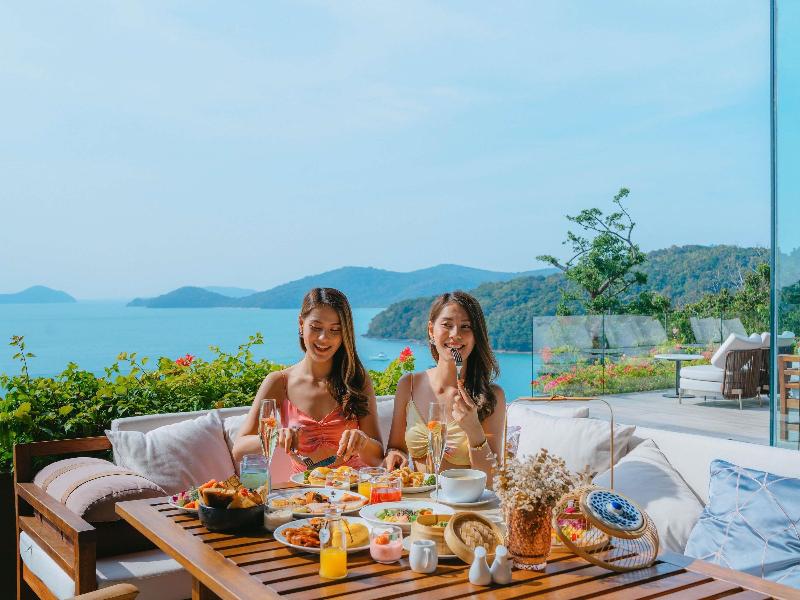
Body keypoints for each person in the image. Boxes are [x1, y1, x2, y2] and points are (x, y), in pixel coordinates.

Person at [232, 288, 384, 474]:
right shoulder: (279, 382)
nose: (323, 338)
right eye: (316, 327)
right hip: (303, 490)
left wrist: (363, 441)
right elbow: (239, 450)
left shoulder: (356, 379)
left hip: (354, 488)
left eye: (335, 330)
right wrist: (274, 437)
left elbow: (377, 458)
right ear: (301, 323)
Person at [383, 291, 505, 483]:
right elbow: (395, 448)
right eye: (447, 325)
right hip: (420, 498)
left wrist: (473, 429)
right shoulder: (409, 385)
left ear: (476, 336)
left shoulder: (491, 396)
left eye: (465, 327)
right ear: (431, 330)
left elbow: (492, 481)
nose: (455, 334)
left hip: (466, 500)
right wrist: (394, 455)